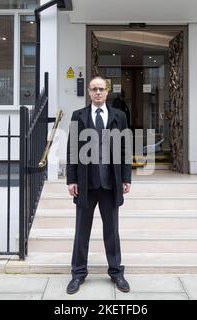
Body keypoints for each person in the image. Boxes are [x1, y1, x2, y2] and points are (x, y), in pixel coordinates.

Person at [66, 76, 132, 294]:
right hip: (86, 184)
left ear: (107, 91)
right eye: (93, 89)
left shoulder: (119, 116)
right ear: (88, 91)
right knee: (81, 232)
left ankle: (116, 272)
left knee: (112, 232)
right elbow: (72, 150)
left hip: (110, 184)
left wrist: (126, 178)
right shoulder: (78, 116)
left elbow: (124, 149)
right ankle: (78, 273)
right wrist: (71, 179)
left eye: (101, 89)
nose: (97, 92)